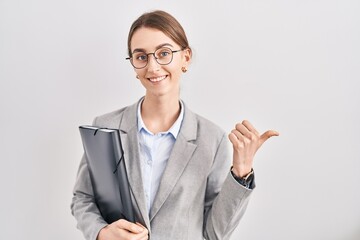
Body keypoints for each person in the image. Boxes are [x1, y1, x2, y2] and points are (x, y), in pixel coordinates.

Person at [71, 10, 279, 240]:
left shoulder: (211, 139)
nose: (153, 67)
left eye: (164, 53)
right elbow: (83, 198)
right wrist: (101, 232)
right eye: (141, 57)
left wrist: (241, 172)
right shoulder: (105, 127)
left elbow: (215, 233)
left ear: (185, 58)